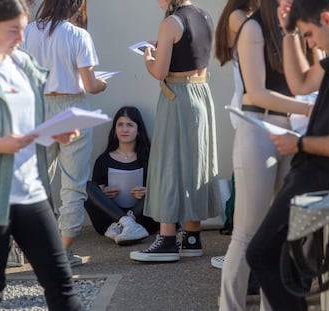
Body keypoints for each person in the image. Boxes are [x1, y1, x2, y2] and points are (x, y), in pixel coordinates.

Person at [0, 0, 82, 310]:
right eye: (13, 31)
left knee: (61, 283)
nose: (21, 40)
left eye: (23, 30)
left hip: (30, 191)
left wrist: (53, 132)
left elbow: (27, 127)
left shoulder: (22, 64)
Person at [246, 0, 329, 310]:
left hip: (325, 177)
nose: (310, 43)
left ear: (326, 18)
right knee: (289, 265)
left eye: (309, 34)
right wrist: (290, 34)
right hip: (313, 174)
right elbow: (298, 84)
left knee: (262, 253)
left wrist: (299, 144)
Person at [216, 0, 317, 310]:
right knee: (247, 231)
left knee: (281, 232)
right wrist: (308, 108)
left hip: (293, 131)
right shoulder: (253, 26)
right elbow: (255, 92)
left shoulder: (299, 25)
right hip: (258, 127)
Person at [130, 0, 219, 262]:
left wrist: (148, 58)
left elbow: (160, 71)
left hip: (177, 96)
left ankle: (167, 239)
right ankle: (192, 238)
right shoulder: (205, 16)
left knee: (168, 163)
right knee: (196, 163)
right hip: (202, 93)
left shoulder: (170, 23)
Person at [22, 0, 107, 267]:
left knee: (35, 180)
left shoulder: (27, 31)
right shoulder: (78, 35)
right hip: (72, 109)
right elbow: (91, 85)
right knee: (73, 184)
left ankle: (28, 246)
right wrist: (103, 83)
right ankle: (62, 253)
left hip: (37, 108)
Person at [211, 0, 257, 270]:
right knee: (245, 193)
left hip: (247, 111)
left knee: (246, 191)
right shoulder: (240, 17)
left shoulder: (242, 15)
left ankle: (238, 256)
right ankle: (237, 257)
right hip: (248, 112)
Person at [84, 106, 159, 245]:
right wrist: (103, 193)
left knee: (160, 188)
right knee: (86, 187)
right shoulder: (103, 160)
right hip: (112, 222)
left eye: (130, 125)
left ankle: (131, 224)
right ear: (115, 130)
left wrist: (148, 192)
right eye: (120, 125)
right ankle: (124, 222)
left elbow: (160, 189)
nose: (124, 129)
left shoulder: (149, 158)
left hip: (141, 217)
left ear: (138, 130)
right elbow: (95, 191)